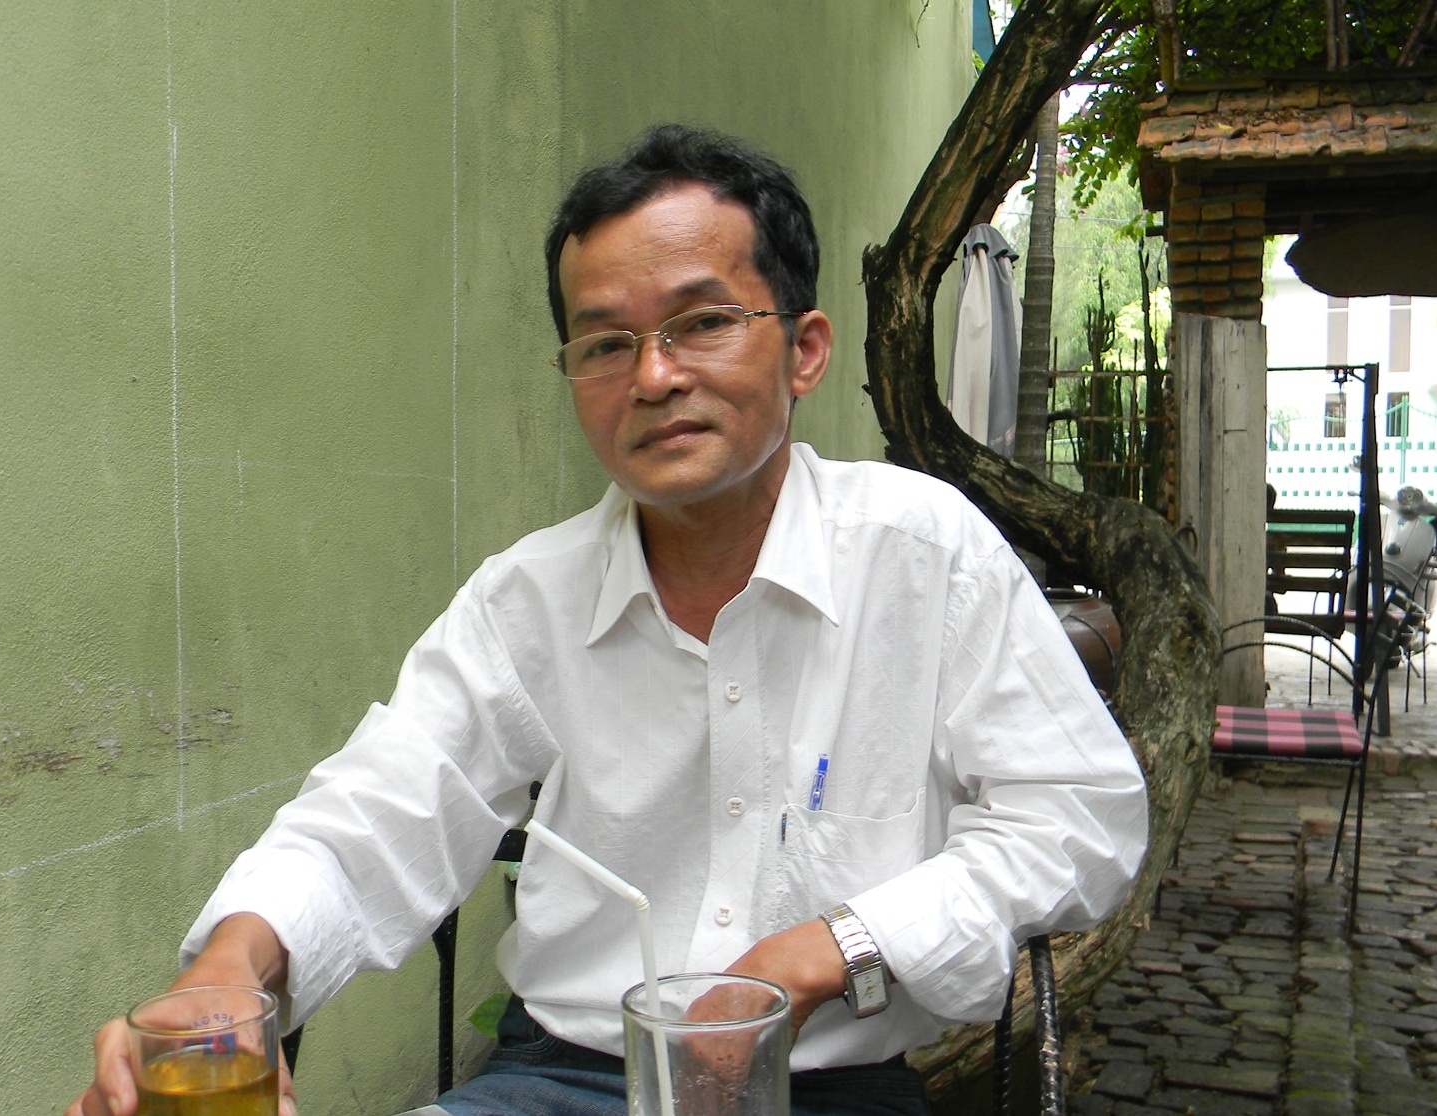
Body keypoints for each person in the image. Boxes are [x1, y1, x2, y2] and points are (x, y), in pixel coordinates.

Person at [69, 124, 1147, 1116]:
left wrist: (828, 951)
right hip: (563, 1083)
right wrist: (231, 969)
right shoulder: (528, 600)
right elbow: (382, 808)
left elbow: (1079, 819)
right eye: (604, 345)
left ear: (805, 349)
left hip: (827, 1088)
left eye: (703, 322)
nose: (655, 376)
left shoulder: (925, 556)